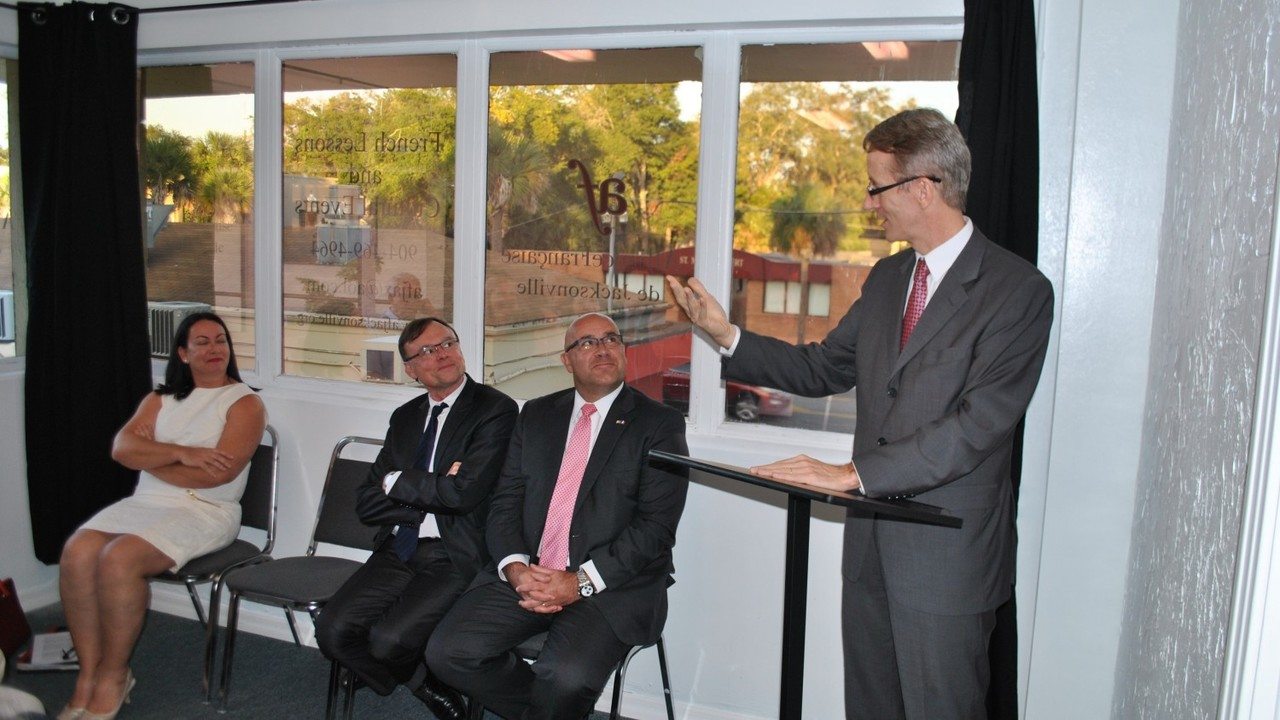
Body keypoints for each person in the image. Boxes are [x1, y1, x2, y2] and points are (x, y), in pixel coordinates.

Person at [666, 108, 1054, 720]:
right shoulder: (887, 278)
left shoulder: (1016, 290)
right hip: (869, 542)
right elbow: (821, 370)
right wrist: (725, 332)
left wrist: (852, 475)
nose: (870, 204)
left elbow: (978, 425)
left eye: (877, 187)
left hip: (944, 555)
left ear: (923, 188)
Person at [426, 313, 689, 720]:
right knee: (447, 653)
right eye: (586, 342)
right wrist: (514, 567)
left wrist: (579, 582)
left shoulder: (658, 423)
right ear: (565, 361)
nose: (602, 349)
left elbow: (656, 528)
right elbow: (505, 501)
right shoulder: (536, 415)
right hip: (532, 572)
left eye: (611, 339)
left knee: (564, 678)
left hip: (610, 584)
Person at [58, 312, 267, 720]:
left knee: (119, 559)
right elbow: (121, 448)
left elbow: (217, 476)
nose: (214, 349)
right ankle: (88, 676)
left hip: (207, 510)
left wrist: (151, 456)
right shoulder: (160, 399)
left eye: (220, 340)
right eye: (202, 342)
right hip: (148, 502)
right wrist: (181, 453)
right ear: (183, 354)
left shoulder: (244, 403)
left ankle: (115, 676)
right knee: (77, 551)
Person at [314, 317, 517, 720]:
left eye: (447, 343)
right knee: (332, 631)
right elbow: (367, 503)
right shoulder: (405, 417)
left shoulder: (495, 410)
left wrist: (400, 483)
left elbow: (463, 496)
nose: (441, 354)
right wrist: (428, 485)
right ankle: (415, 678)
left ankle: (397, 669)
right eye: (426, 351)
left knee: (387, 640)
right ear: (410, 368)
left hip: (454, 552)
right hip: (400, 545)